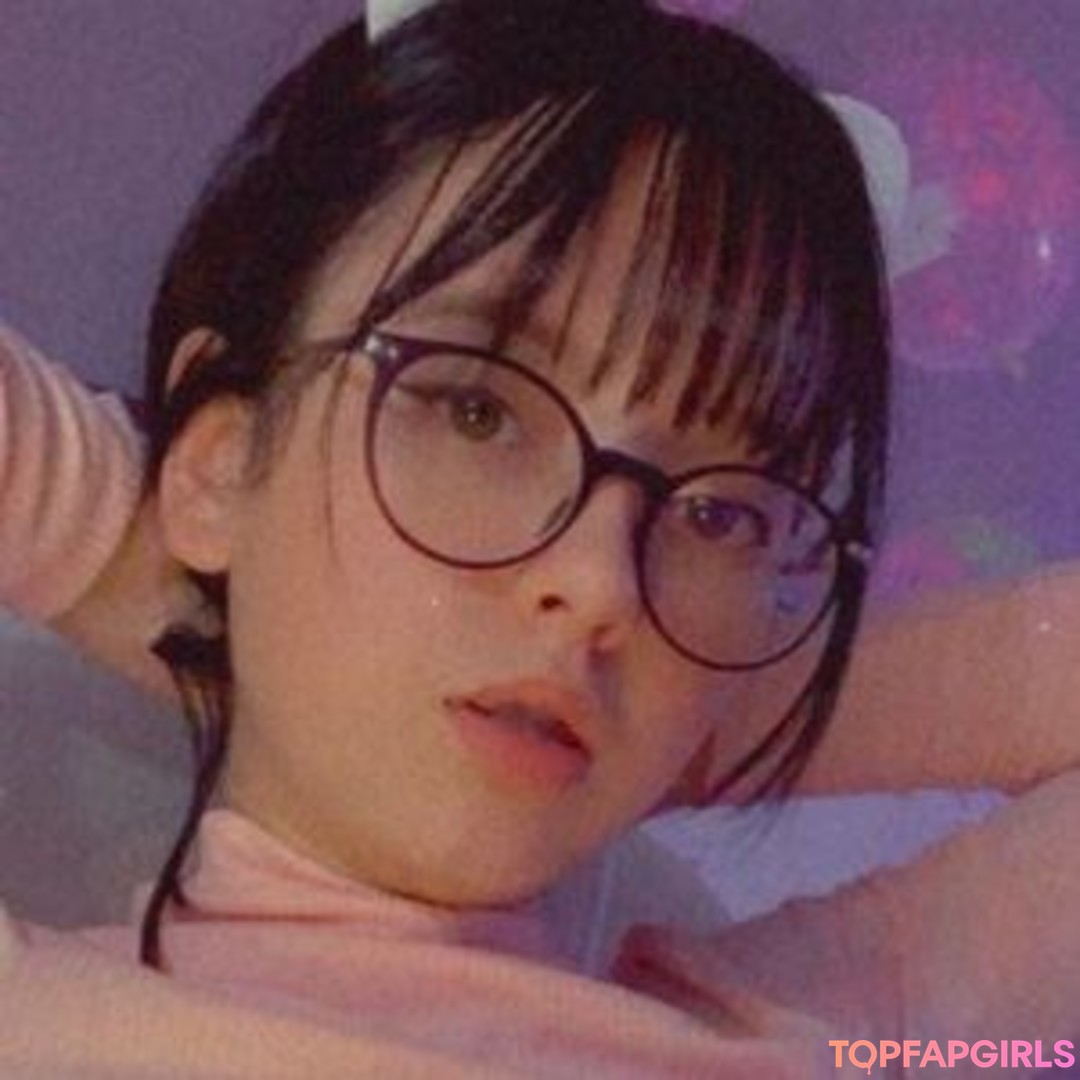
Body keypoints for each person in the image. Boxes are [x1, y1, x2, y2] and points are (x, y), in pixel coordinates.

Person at [0, 0, 890, 1074]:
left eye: (720, 513)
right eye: (476, 411)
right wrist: (177, 571)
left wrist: (712, 720)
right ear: (219, 458)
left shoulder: (810, 1035)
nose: (602, 585)